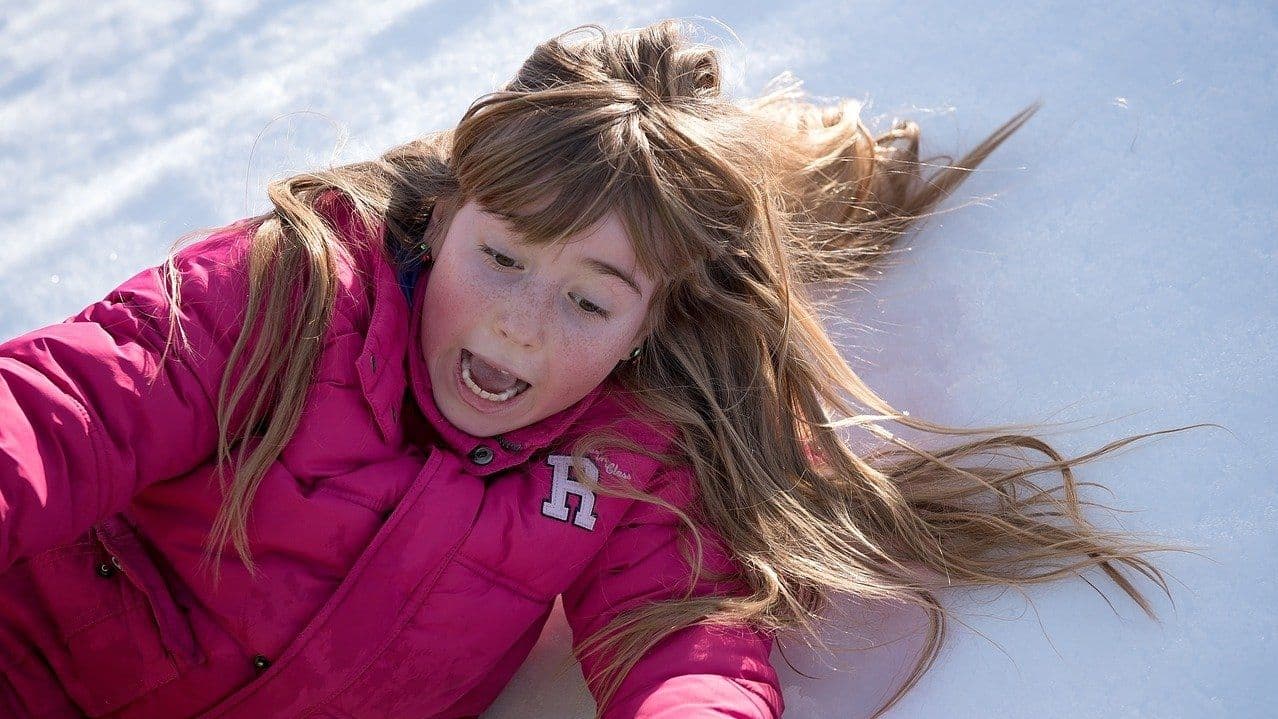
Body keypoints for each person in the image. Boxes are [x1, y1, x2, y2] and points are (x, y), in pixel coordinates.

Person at [0, 18, 1203, 719]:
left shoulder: (632, 452)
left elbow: (686, 640)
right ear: (445, 212)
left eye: (588, 297)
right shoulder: (290, 292)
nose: (523, 323)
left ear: (653, 319)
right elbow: (61, 410)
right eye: (502, 256)